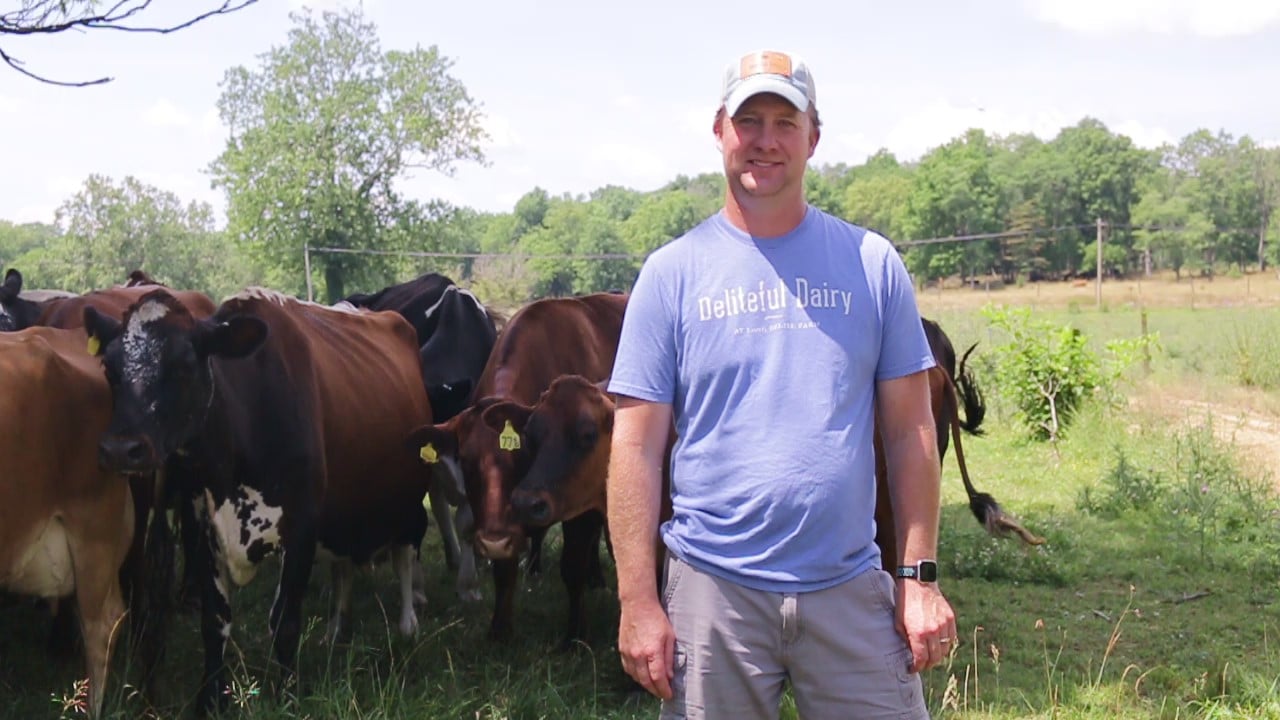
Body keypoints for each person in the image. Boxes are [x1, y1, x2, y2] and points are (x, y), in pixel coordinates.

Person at [605, 49, 958, 719]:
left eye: (785, 122)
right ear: (719, 132)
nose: (765, 140)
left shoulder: (871, 263)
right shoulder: (671, 275)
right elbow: (635, 448)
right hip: (714, 598)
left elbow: (910, 431)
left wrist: (917, 578)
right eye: (749, 121)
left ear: (813, 138)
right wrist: (637, 600)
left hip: (849, 585)